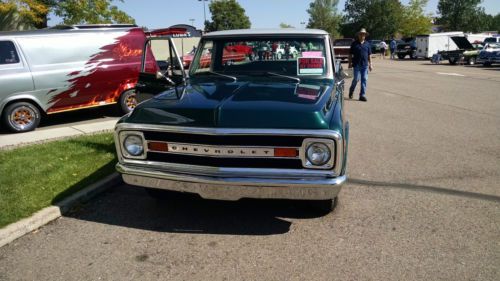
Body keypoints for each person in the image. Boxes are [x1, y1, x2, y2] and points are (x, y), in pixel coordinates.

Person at [348, 28, 373, 102]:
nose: (362, 35)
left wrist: (370, 64)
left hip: (364, 65)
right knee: (356, 79)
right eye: (361, 34)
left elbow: (369, 55)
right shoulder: (354, 43)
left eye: (364, 34)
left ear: (365, 35)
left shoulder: (367, 44)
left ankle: (362, 95)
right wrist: (349, 64)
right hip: (356, 65)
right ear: (358, 35)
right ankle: (351, 90)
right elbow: (350, 54)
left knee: (364, 79)